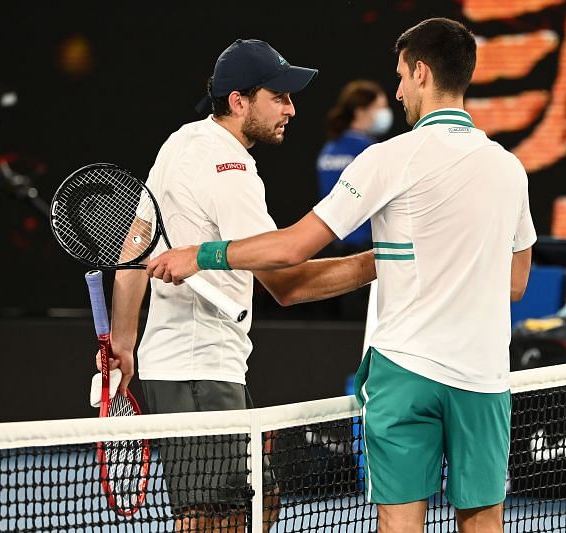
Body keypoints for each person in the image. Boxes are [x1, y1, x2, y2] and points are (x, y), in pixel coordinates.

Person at [146, 18, 536, 533]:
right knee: (484, 521)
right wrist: (441, 261)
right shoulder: (510, 168)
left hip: (407, 371)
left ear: (421, 72)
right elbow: (514, 284)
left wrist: (203, 255)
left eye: (399, 76)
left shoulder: (386, 159)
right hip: (483, 377)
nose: (395, 91)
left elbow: (290, 250)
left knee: (399, 522)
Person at [105, 39, 376, 532]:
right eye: (280, 97)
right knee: (216, 514)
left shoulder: (180, 142)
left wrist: (124, 341)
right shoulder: (229, 169)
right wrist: (382, 262)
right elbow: (287, 284)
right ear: (239, 102)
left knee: (249, 502)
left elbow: (134, 246)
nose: (291, 109)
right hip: (198, 367)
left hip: (187, 364)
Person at [317, 80, 391, 255]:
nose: (384, 114)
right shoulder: (368, 150)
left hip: (332, 243)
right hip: (363, 247)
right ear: (361, 111)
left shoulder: (329, 149)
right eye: (380, 108)